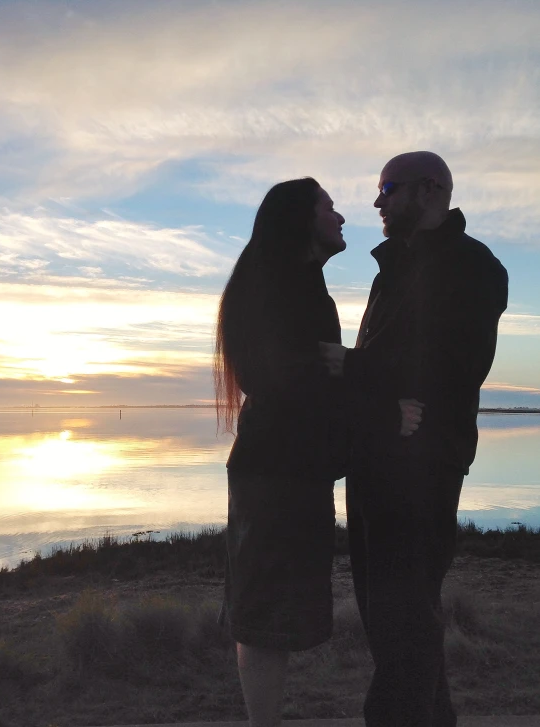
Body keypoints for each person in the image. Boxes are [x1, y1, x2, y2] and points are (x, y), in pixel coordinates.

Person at [214, 177, 422, 727]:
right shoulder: (276, 288)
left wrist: (348, 371)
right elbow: (285, 382)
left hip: (291, 474)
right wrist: (382, 415)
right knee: (262, 615)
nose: (342, 216)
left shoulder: (299, 285)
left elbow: (318, 380)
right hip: (275, 476)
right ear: (301, 218)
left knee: (272, 612)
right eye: (329, 207)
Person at [321, 152, 509, 727]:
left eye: (388, 188)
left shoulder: (473, 267)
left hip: (424, 468)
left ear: (431, 190)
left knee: (403, 622)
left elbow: (454, 367)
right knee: (395, 620)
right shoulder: (394, 268)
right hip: (376, 461)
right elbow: (397, 365)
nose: (377, 201)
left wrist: (352, 369)